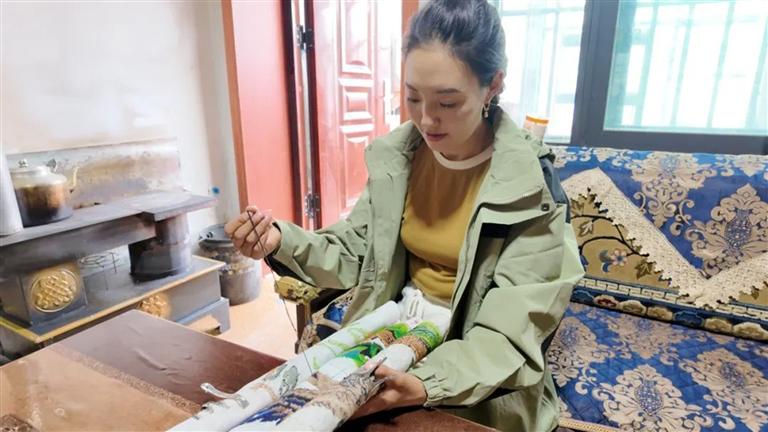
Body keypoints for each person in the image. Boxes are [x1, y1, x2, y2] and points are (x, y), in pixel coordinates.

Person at [224, 0, 584, 430]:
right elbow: (357, 251)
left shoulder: (529, 186)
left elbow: (509, 331)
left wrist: (426, 384)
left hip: (474, 362)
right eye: (413, 97)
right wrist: (281, 240)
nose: (426, 120)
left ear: (493, 85)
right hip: (395, 327)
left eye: (447, 102)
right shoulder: (401, 158)